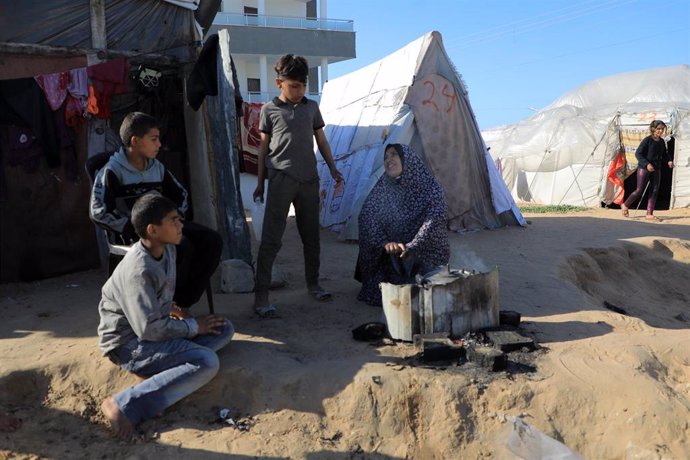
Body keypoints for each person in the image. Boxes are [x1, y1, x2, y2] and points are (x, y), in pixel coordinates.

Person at [98, 194, 233, 440]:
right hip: (129, 344)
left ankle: (155, 375)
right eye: (173, 221)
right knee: (207, 362)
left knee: (224, 328)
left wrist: (175, 310)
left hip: (152, 331)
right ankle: (124, 404)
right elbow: (149, 330)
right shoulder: (138, 270)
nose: (181, 225)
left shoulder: (168, 249)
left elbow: (159, 295)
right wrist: (193, 327)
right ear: (153, 230)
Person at [90, 111, 223, 318]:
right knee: (183, 246)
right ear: (135, 140)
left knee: (212, 240)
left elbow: (181, 195)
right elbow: (98, 211)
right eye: (154, 139)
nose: (159, 144)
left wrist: (175, 219)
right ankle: (166, 304)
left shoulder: (157, 168)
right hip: (139, 230)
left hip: (164, 224)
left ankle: (182, 302)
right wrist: (128, 227)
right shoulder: (112, 171)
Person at [251, 54, 343, 318]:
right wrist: (260, 184)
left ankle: (313, 284)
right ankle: (261, 297)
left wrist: (333, 168)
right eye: (293, 86)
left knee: (311, 238)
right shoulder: (269, 110)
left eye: (302, 85)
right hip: (280, 179)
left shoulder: (311, 108)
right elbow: (263, 149)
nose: (299, 90)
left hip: (309, 181)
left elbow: (322, 141)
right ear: (280, 82)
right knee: (271, 240)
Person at [355, 144, 450, 306]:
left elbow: (434, 220)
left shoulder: (430, 187)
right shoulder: (383, 187)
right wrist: (384, 243)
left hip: (422, 251)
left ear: (407, 159)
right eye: (386, 157)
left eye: (394, 155)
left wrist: (412, 246)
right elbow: (367, 216)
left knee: (426, 292)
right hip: (392, 254)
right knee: (382, 293)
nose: (388, 160)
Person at [621, 120, 674, 221]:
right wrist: (647, 164)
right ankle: (625, 204)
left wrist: (669, 160)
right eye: (658, 128)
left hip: (656, 169)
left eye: (662, 129)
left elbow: (664, 154)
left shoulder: (662, 142)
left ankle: (649, 213)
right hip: (644, 168)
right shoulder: (647, 140)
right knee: (639, 190)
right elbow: (638, 154)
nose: (660, 131)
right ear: (653, 129)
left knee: (654, 191)